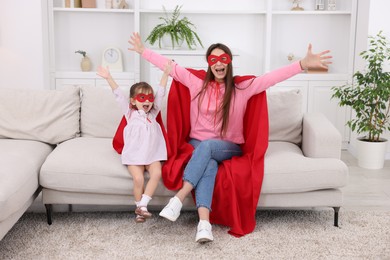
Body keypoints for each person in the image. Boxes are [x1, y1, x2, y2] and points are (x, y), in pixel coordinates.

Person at [128, 32, 332, 242]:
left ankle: (179, 198)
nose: (218, 64)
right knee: (208, 165)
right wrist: (143, 51)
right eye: (213, 59)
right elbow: (169, 66)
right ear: (209, 63)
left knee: (207, 148)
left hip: (229, 146)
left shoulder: (242, 88)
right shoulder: (196, 83)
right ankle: (204, 225)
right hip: (197, 144)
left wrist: (301, 64)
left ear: (229, 62)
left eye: (223, 59)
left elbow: (271, 78)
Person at [97, 61, 172, 223]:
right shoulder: (130, 114)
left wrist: (165, 74)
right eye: (142, 98)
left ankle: (143, 205)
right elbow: (118, 95)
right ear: (133, 101)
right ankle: (139, 211)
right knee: (138, 179)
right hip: (135, 155)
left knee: (157, 173)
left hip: (152, 155)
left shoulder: (153, 114)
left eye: (149, 98)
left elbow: (161, 93)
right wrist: (108, 77)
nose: (147, 101)